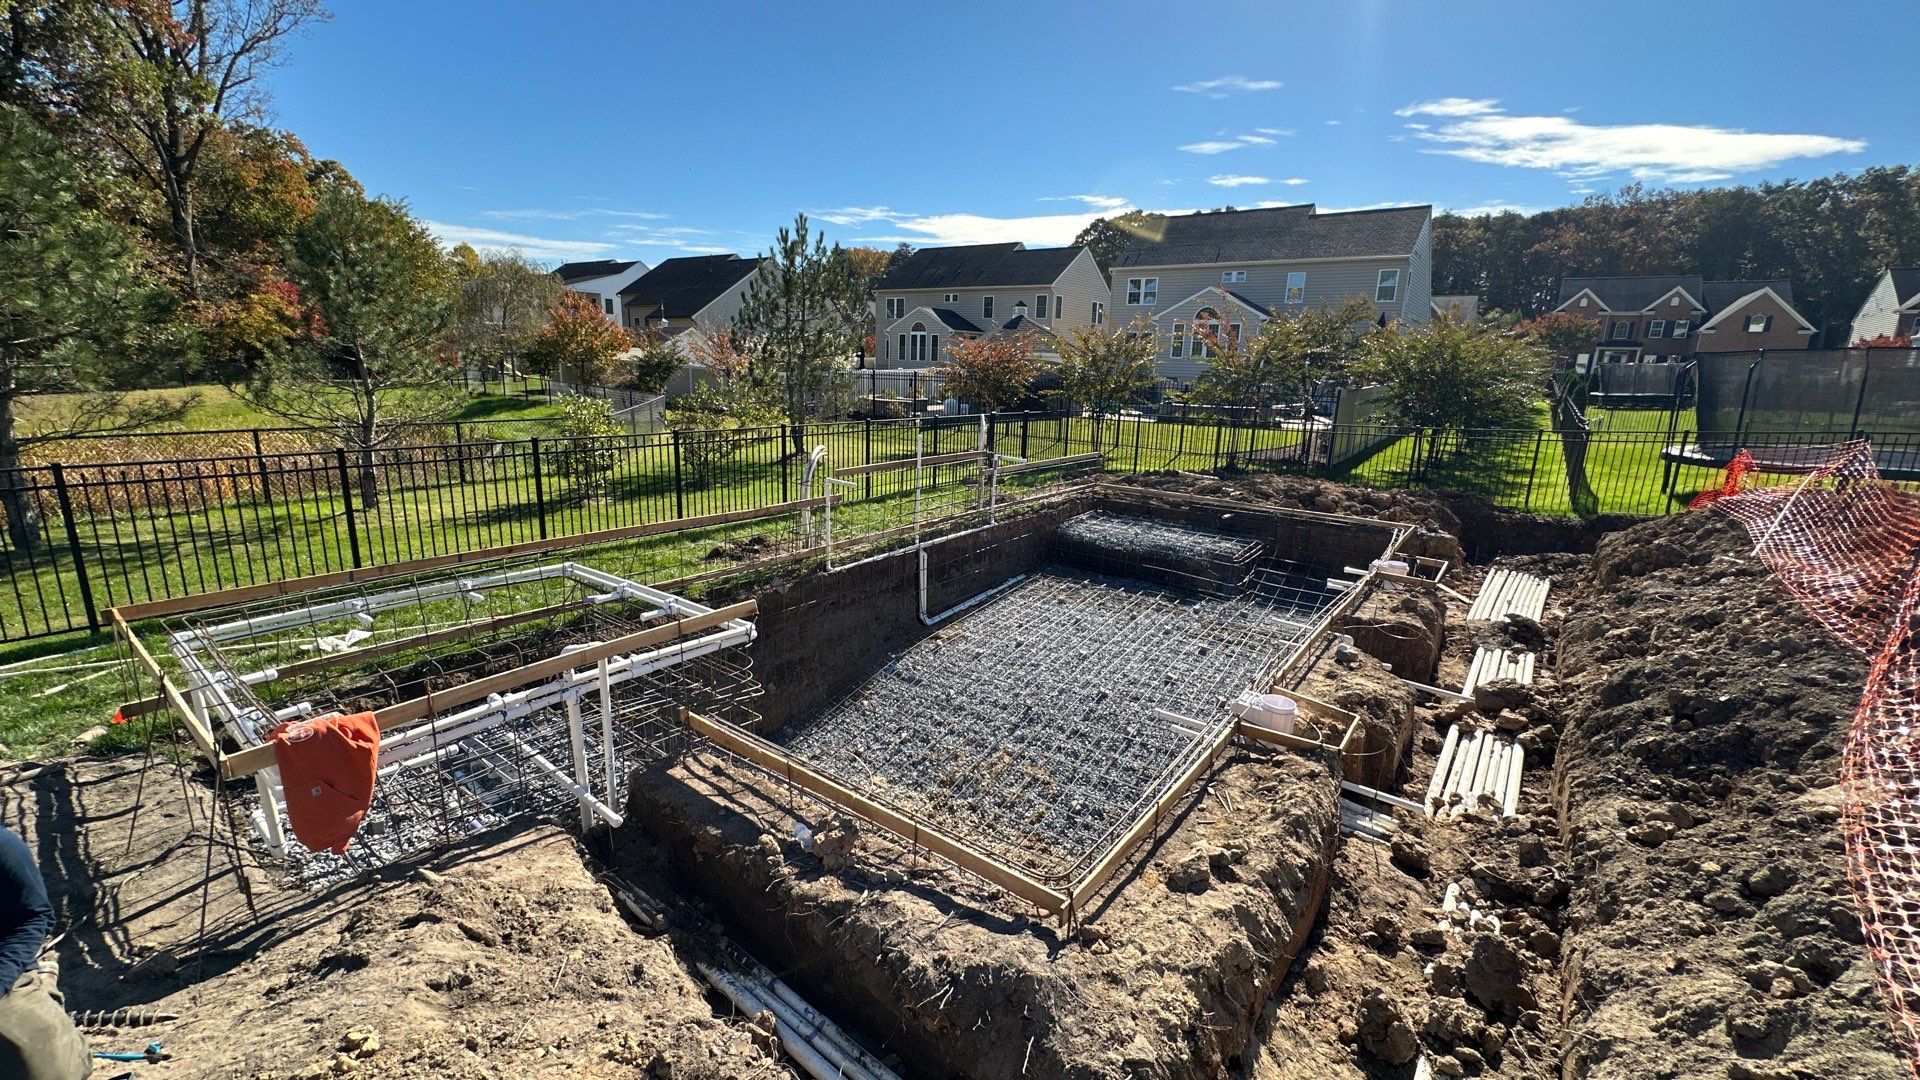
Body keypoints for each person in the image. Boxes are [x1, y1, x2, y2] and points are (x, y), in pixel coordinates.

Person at [0, 826, 89, 1078]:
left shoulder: (4, 846)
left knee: (53, 1072)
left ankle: (44, 992)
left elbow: (33, 917)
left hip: (4, 972)